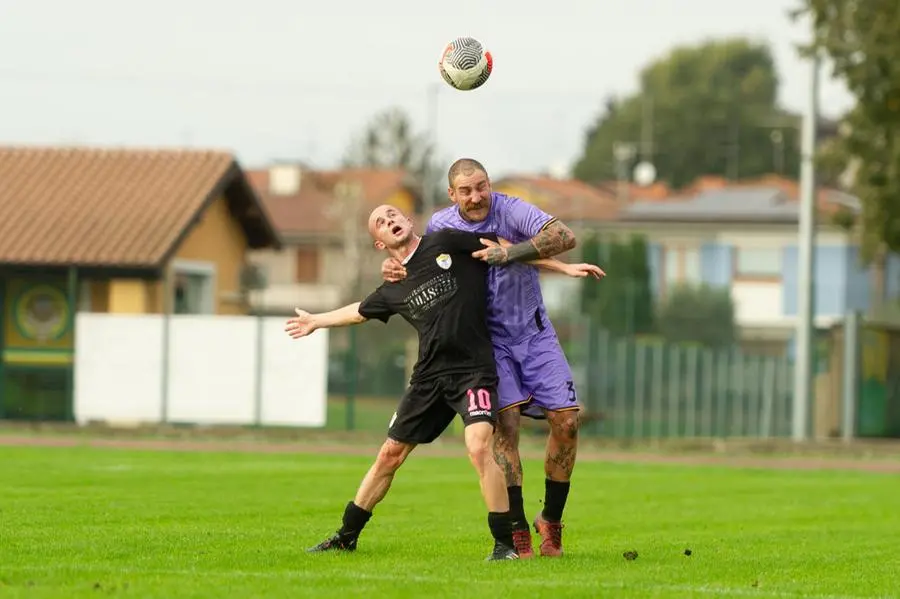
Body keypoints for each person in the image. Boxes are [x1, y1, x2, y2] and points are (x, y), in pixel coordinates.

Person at [286, 204, 558, 561]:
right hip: (429, 378)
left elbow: (507, 250)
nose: (389, 221)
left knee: (479, 447)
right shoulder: (394, 285)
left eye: (393, 215)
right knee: (389, 455)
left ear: (408, 220)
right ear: (379, 244)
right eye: (381, 223)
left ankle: (503, 545)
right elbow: (359, 311)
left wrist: (563, 266)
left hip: (474, 372)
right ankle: (345, 536)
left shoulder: (446, 241)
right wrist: (316, 321)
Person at [380, 158, 603, 558]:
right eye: (466, 190)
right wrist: (394, 269)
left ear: (489, 184)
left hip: (535, 334)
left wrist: (516, 254)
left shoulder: (511, 209)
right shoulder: (440, 226)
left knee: (567, 423)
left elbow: (563, 234)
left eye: (481, 186)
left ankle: (550, 520)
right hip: (488, 342)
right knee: (508, 426)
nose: (476, 196)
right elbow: (418, 264)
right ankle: (517, 530)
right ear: (452, 195)